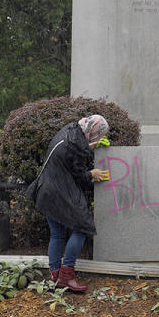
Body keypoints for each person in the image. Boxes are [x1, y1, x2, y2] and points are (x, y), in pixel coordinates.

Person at [26, 114, 111, 293]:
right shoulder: (76, 146)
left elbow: (70, 155)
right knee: (82, 227)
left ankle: (55, 274)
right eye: (99, 135)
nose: (99, 138)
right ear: (93, 131)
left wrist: (90, 146)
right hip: (58, 191)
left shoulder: (71, 130)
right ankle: (66, 276)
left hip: (46, 189)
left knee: (57, 233)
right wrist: (92, 174)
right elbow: (80, 175)